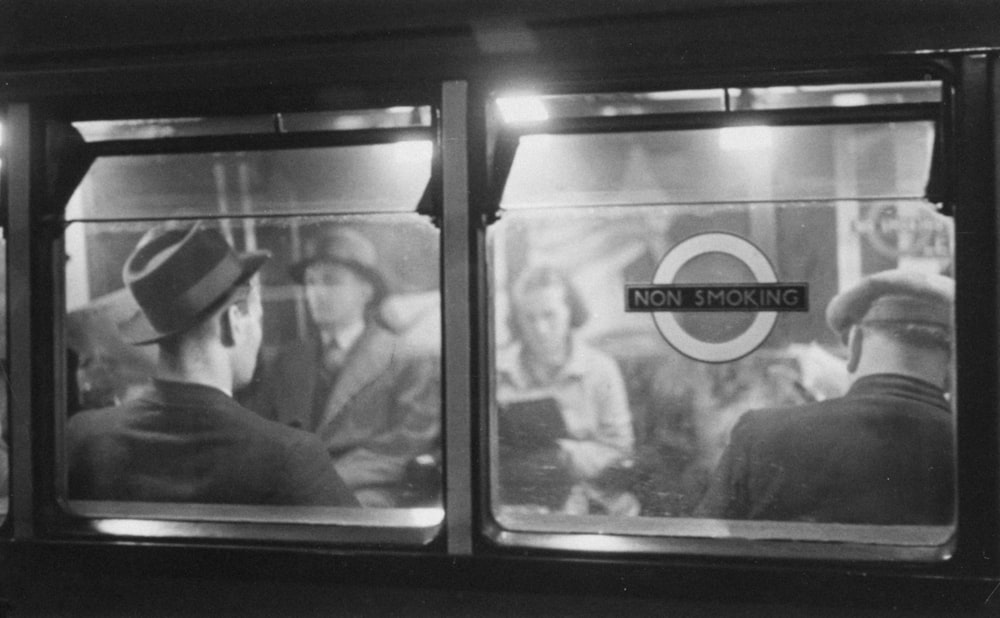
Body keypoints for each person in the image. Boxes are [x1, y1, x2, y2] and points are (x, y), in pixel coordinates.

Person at [67, 223, 358, 507]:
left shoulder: (82, 438)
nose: (259, 333)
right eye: (258, 317)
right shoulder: (291, 457)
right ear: (234, 321)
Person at [695, 269, 955, 525]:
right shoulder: (981, 453)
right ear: (952, 361)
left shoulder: (760, 435)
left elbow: (701, 549)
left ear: (855, 346)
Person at [242, 226, 440, 508]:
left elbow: (408, 442)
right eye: (310, 282)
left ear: (365, 291)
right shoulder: (286, 361)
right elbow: (263, 434)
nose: (316, 292)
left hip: (370, 496)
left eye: (331, 281)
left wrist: (317, 482)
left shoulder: (409, 356)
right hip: (291, 497)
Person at [496, 265, 636, 515]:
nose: (539, 328)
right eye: (529, 317)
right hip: (516, 502)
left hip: (595, 499)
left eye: (549, 315)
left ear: (570, 312)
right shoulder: (495, 371)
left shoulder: (600, 369)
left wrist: (566, 455)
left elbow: (621, 450)